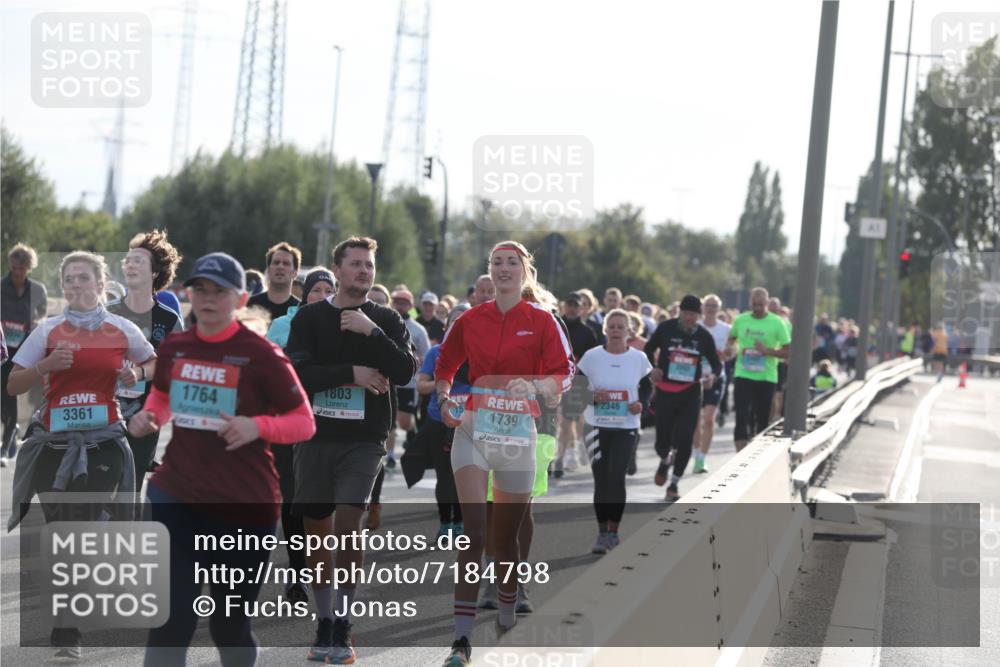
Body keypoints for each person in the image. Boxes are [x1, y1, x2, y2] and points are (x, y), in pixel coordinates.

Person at [127, 251, 315, 666]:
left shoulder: (261, 354)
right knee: (171, 621)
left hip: (243, 504)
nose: (208, 299)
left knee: (227, 626)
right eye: (200, 290)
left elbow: (303, 422)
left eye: (219, 291)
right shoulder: (176, 348)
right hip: (177, 494)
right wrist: (150, 417)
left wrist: (257, 426)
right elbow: (162, 396)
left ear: (241, 298)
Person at [7, 251, 156, 659]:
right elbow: (12, 385)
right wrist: (45, 366)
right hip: (54, 445)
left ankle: (66, 631)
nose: (76, 286)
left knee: (80, 526)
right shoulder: (48, 330)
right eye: (69, 279)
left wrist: (136, 373)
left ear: (100, 283)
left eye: (84, 279)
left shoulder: (121, 328)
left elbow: (155, 363)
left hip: (104, 441)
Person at [435, 240, 573, 666]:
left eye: (512, 262)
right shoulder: (470, 319)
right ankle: (460, 640)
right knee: (474, 531)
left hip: (518, 434)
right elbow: (445, 365)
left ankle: (509, 609)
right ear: (489, 271)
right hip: (474, 431)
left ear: (524, 271)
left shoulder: (542, 321)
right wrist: (444, 399)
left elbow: (564, 374)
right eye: (497, 262)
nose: (504, 268)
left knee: (506, 537)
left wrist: (534, 386)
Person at [284, 237, 416, 664]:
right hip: (316, 436)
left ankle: (343, 620)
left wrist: (372, 332)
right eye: (355, 264)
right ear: (337, 271)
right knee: (316, 531)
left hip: (365, 439)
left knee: (349, 520)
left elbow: (404, 371)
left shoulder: (387, 320)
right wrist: (352, 374)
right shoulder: (309, 318)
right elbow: (298, 374)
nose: (363, 271)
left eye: (369, 265)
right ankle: (324, 622)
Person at [265, 267, 336, 604]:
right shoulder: (282, 326)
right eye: (315, 290)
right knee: (293, 500)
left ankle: (320, 566)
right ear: (305, 294)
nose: (321, 297)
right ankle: (298, 573)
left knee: (324, 502)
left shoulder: (345, 322)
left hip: (335, 422)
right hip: (291, 421)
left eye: (327, 291)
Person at [108, 231, 184, 490]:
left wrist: (141, 372)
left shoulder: (169, 319)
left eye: (139, 260)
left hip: (145, 415)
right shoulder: (107, 313)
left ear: (154, 273)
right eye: (128, 260)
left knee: (130, 488)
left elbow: (177, 367)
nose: (130, 264)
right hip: (103, 414)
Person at [577, 309, 652, 553]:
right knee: (601, 480)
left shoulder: (639, 358)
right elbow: (575, 390)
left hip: (626, 426)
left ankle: (614, 531)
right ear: (605, 329)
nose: (617, 331)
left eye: (621, 327)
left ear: (629, 331)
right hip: (596, 426)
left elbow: (647, 388)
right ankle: (601, 533)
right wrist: (590, 396)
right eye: (613, 326)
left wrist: (642, 404)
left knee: (616, 476)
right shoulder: (591, 357)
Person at [644, 295, 721, 501]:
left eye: (693, 314)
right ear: (680, 312)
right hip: (666, 391)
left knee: (686, 436)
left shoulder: (704, 336)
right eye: (686, 313)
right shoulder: (666, 328)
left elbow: (716, 363)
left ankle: (675, 483)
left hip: (691, 392)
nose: (689, 317)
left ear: (699, 315)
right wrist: (654, 368)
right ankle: (665, 459)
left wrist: (712, 376)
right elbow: (649, 348)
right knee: (662, 440)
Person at [414, 304, 472, 538]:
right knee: (445, 476)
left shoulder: (480, 352)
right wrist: (443, 388)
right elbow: (421, 384)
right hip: (439, 420)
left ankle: (461, 523)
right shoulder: (436, 352)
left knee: (466, 476)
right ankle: (445, 523)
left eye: (464, 322)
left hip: (471, 423)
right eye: (455, 322)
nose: (459, 326)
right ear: (447, 326)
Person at [728, 287, 791, 451]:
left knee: (762, 418)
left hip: (766, 377)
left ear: (767, 303)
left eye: (761, 304)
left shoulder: (777, 322)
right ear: (750, 302)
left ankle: (755, 452)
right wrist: (731, 349)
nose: (757, 307)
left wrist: (767, 351)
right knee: (741, 416)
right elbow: (731, 338)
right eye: (754, 304)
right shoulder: (741, 320)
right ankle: (740, 455)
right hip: (743, 374)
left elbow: (788, 351)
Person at [1, 243, 48, 464]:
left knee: (10, 395)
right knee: (3, 398)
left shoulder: (38, 290)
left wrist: (37, 322)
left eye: (21, 268)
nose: (17, 272)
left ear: (29, 267)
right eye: (14, 267)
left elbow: (43, 314)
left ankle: (5, 445)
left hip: (25, 348)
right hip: (2, 348)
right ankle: (12, 427)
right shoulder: (1, 286)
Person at [555, 292, 599, 477]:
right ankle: (562, 455)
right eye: (569, 304)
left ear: (582, 308)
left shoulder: (587, 332)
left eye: (576, 305)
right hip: (556, 379)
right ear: (564, 306)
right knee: (561, 423)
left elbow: (593, 359)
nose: (572, 308)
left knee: (570, 421)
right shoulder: (555, 325)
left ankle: (563, 456)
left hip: (578, 382)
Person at [693, 294, 731, 475]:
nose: (710, 309)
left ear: (719, 309)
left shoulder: (726, 329)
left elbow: (733, 351)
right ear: (702, 307)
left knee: (708, 420)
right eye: (708, 305)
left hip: (716, 377)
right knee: (694, 420)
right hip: (694, 378)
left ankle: (701, 458)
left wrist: (728, 354)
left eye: (714, 306)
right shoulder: (695, 327)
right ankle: (695, 452)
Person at [247, 241, 302, 321]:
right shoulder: (250, 305)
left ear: (295, 272)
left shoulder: (300, 311)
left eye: (286, 263)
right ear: (268, 270)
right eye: (276, 262)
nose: (280, 266)